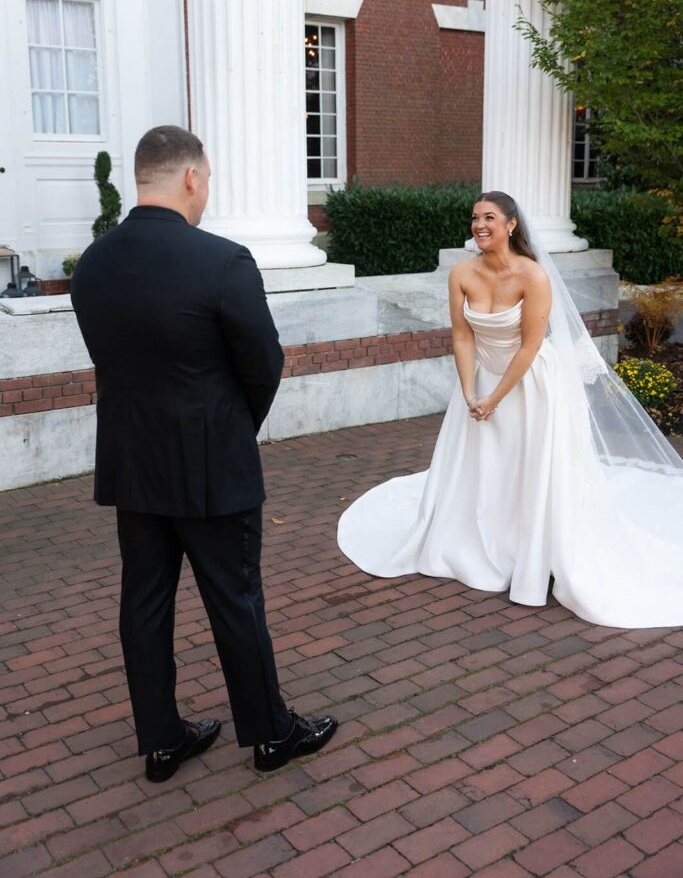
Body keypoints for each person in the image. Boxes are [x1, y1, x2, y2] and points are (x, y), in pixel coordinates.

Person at [71, 125, 337, 782]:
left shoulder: (92, 264)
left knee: (144, 600)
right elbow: (263, 364)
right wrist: (229, 427)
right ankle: (270, 735)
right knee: (235, 599)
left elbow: (111, 361)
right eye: (208, 178)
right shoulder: (222, 261)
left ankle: (162, 742)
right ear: (191, 177)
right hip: (212, 467)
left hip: (134, 465)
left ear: (141, 177)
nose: (207, 190)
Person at [338, 192, 683, 628]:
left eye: (489, 217)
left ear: (511, 224)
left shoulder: (533, 276)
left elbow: (532, 345)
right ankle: (481, 542)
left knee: (530, 466)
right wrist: (469, 393)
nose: (479, 225)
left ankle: (532, 548)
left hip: (531, 383)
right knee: (483, 464)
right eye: (474, 218)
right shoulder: (462, 273)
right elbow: (462, 337)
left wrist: (495, 397)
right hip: (480, 379)